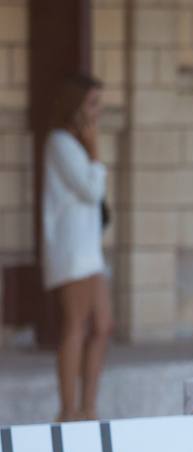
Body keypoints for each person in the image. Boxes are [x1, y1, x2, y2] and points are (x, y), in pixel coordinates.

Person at [42, 73, 112, 422]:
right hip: (71, 254)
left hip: (89, 253)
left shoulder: (78, 143)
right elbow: (91, 190)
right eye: (93, 103)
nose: (98, 111)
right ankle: (69, 410)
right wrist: (96, 151)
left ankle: (89, 407)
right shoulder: (60, 143)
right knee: (75, 326)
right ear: (76, 105)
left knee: (102, 325)